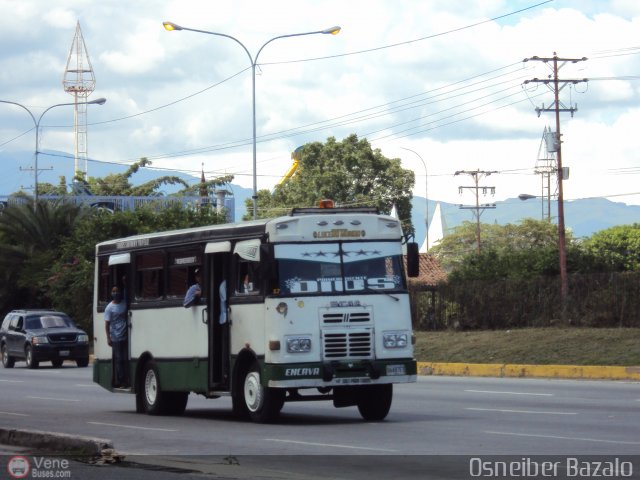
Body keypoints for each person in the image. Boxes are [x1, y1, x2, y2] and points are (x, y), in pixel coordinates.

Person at [105, 285, 129, 388]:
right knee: (119, 360)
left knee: (125, 358)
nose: (115, 293)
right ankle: (121, 381)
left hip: (125, 336)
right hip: (116, 337)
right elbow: (107, 324)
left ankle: (126, 379)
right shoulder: (109, 308)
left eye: (117, 291)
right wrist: (108, 338)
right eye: (113, 291)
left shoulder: (124, 303)